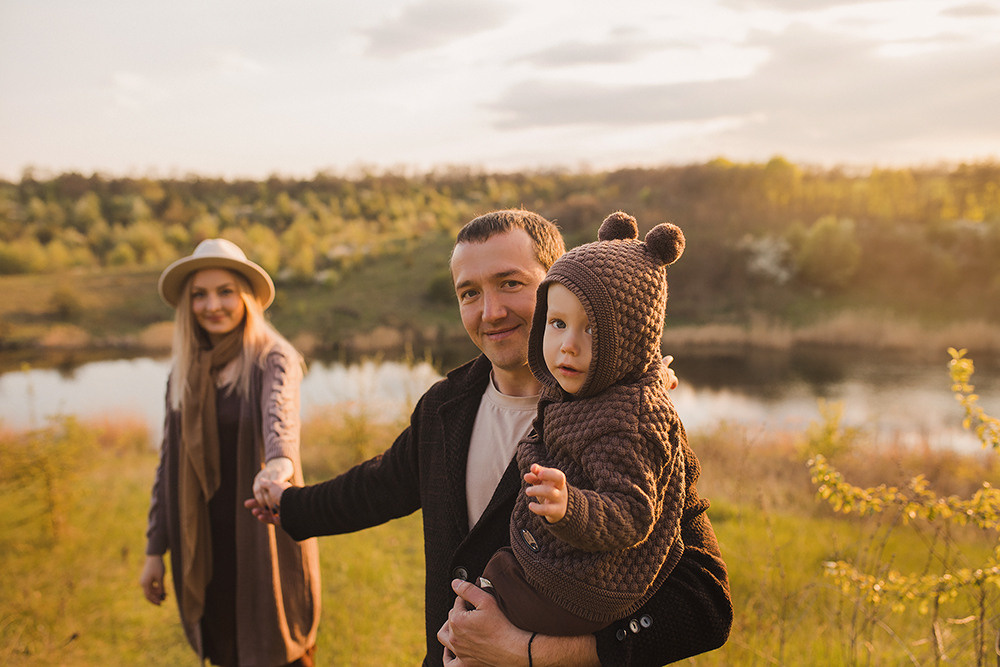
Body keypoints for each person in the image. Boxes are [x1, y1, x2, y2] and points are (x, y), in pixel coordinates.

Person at [249, 210, 732, 666]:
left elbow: (704, 605)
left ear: (559, 283)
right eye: (469, 293)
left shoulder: (627, 417)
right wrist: (288, 505)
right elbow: (379, 485)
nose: (491, 311)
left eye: (510, 284)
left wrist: (525, 652)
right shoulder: (445, 406)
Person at [478, 211, 689, 637]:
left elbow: (631, 512)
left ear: (627, 339)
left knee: (486, 604)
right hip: (550, 563)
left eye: (592, 330)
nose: (568, 346)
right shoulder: (583, 390)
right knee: (486, 583)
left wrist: (569, 505)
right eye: (557, 324)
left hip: (583, 587)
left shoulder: (630, 422)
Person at [140, 238, 321, 667]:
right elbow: (169, 464)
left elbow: (280, 416)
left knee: (278, 648)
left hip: (261, 535)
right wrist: (154, 550)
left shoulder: (272, 357)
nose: (212, 305)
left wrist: (280, 463)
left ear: (246, 298)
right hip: (202, 537)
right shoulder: (184, 371)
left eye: (225, 291)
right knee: (222, 647)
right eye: (199, 294)